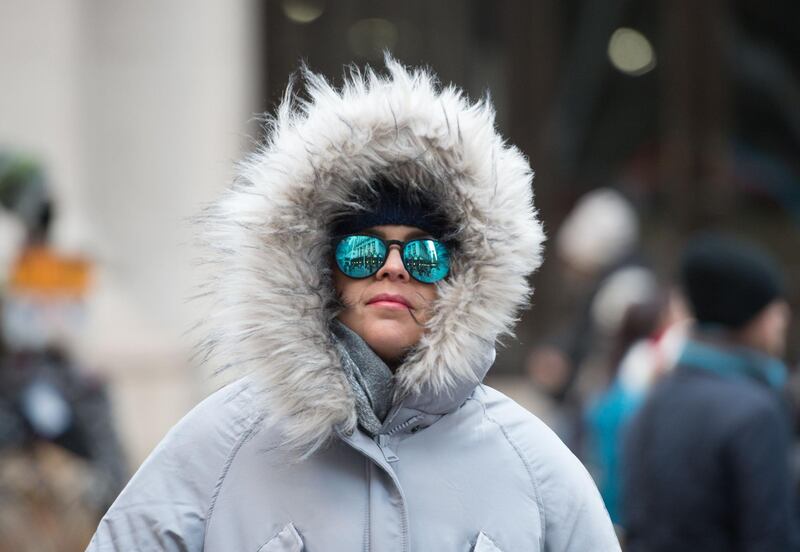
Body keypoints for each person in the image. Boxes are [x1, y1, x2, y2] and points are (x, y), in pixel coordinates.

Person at [87, 58, 619, 551]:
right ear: (324, 270)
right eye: (364, 250)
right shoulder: (219, 447)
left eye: (425, 253)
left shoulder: (536, 469)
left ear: (459, 278)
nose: (393, 267)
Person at [622, 233, 798, 551]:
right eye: (773, 305)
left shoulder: (657, 397)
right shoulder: (755, 412)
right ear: (748, 315)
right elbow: (770, 537)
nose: (783, 317)